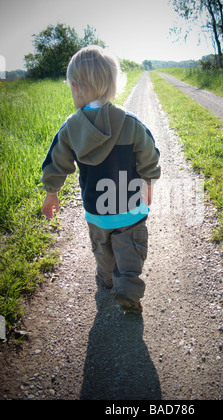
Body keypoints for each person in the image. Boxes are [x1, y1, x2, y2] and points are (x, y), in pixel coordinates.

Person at [41, 46, 161, 314]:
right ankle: (128, 288)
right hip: (130, 209)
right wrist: (149, 181)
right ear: (114, 84)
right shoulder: (131, 123)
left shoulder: (71, 128)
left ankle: (106, 280)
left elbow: (56, 162)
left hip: (97, 212)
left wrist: (52, 192)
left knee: (102, 250)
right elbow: (149, 155)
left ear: (76, 87)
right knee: (130, 251)